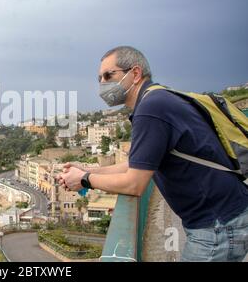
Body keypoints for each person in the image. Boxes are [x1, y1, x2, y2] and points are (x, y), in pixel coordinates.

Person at [57, 46, 248, 262]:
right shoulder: (156, 98)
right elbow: (135, 164)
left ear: (135, 73)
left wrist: (84, 180)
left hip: (218, 225)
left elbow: (135, 184)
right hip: (223, 219)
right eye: (99, 77)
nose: (102, 83)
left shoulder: (151, 108)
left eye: (109, 75)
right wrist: (89, 170)